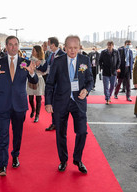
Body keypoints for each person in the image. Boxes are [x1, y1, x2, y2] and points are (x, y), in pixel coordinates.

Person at [0, 36, 38, 176]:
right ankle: (2, 165)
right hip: (3, 104)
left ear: (18, 46)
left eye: (15, 44)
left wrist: (32, 72)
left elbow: (35, 80)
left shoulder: (26, 63)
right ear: (6, 46)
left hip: (19, 105)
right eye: (10, 45)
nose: (13, 47)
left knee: (17, 134)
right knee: (2, 135)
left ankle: (15, 155)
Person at [45, 35, 93, 174]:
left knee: (82, 132)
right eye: (70, 48)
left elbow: (90, 80)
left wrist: (86, 90)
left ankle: (77, 159)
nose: (72, 51)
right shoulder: (58, 61)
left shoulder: (85, 60)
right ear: (65, 47)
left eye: (75, 48)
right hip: (61, 102)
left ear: (79, 47)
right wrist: (48, 102)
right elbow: (50, 83)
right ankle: (63, 160)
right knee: (60, 133)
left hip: (79, 101)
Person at [37, 37, 65, 131]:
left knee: (59, 105)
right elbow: (45, 67)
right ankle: (54, 123)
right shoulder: (50, 55)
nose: (48, 46)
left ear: (53, 44)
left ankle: (59, 123)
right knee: (52, 103)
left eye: (49, 44)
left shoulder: (63, 55)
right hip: (51, 83)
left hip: (60, 84)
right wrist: (37, 66)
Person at [27, 45, 45, 123]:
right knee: (30, 98)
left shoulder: (42, 60)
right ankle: (33, 109)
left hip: (39, 79)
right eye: (32, 50)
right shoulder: (29, 59)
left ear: (37, 52)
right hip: (30, 80)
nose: (32, 52)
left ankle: (37, 115)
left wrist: (37, 67)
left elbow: (44, 72)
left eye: (33, 50)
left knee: (38, 99)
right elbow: (25, 66)